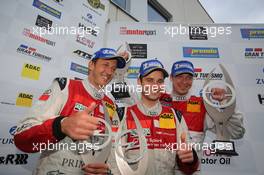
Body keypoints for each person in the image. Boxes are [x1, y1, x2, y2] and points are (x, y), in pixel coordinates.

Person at [14, 48, 126, 175]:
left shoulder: (110, 105)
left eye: (113, 68)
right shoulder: (66, 86)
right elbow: (22, 137)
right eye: (105, 65)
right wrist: (60, 126)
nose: (109, 71)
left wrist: (106, 169)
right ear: (91, 65)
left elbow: (110, 147)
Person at [115, 59, 199, 175]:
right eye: (149, 80)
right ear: (139, 82)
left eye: (159, 81)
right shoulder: (123, 114)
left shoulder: (176, 116)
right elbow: (114, 164)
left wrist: (190, 160)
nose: (155, 86)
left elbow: (187, 168)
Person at [160, 60, 245, 173]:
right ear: (171, 78)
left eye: (188, 77)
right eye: (179, 76)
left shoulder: (202, 105)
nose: (184, 81)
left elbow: (236, 133)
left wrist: (226, 102)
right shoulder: (158, 101)